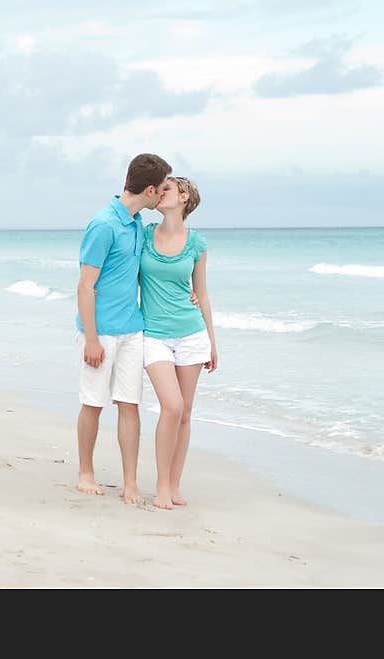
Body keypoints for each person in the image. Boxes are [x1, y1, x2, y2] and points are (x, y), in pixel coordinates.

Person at [75, 153, 172, 505]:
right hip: (99, 331)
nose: (163, 196)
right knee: (93, 403)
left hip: (133, 328)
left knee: (129, 404)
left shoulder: (136, 225)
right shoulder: (103, 225)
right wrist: (90, 338)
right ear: (149, 190)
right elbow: (85, 286)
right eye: (161, 190)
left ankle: (130, 483)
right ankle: (86, 472)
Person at [140, 176, 217, 510]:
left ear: (183, 197)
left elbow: (202, 293)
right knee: (171, 406)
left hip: (191, 333)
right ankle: (160, 485)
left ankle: (174, 485)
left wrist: (213, 342)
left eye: (166, 189)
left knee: (184, 413)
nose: (159, 193)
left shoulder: (196, 243)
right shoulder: (143, 236)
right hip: (153, 334)